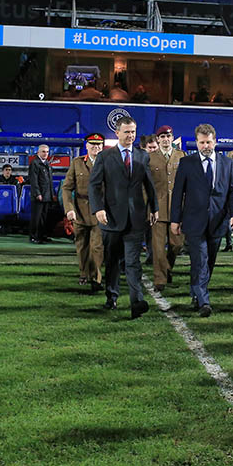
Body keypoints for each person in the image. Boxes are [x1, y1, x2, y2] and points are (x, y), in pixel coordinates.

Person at [88, 116, 158, 319]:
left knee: (133, 262)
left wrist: (154, 208)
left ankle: (137, 302)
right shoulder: (104, 157)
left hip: (136, 218)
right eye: (127, 132)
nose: (131, 136)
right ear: (117, 133)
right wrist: (98, 208)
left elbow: (149, 184)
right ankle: (112, 296)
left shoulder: (142, 156)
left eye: (133, 132)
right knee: (112, 261)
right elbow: (93, 185)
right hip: (110, 218)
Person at [170, 124, 233, 316]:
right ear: (196, 143)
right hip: (193, 222)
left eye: (208, 142)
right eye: (202, 142)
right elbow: (178, 193)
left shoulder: (227, 164)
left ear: (215, 141)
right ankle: (204, 301)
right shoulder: (187, 163)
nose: (205, 146)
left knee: (208, 262)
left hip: (218, 222)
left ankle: (196, 292)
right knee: (200, 260)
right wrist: (174, 220)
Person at [62, 133, 105, 291]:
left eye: (98, 145)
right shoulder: (77, 163)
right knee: (82, 246)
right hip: (79, 211)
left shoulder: (107, 163)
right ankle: (83, 273)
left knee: (97, 246)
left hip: (99, 211)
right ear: (86, 146)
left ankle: (96, 277)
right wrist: (69, 209)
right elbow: (66, 188)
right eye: (92, 145)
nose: (96, 147)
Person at [148, 126, 185, 292]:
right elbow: (146, 186)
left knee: (176, 244)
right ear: (158, 139)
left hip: (177, 208)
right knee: (157, 247)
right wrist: (149, 207)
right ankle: (160, 279)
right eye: (162, 136)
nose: (165, 139)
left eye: (168, 136)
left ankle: (167, 268)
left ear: (172, 138)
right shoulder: (149, 158)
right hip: (157, 209)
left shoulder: (181, 156)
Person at [28, 145, 54, 244]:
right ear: (38, 153)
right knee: (36, 217)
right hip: (38, 196)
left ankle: (42, 236)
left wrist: (51, 194)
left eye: (47, 152)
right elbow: (33, 181)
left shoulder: (47, 164)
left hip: (47, 195)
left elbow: (50, 181)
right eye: (43, 151)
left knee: (44, 217)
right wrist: (37, 193)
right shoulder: (34, 163)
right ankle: (33, 237)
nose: (45, 154)